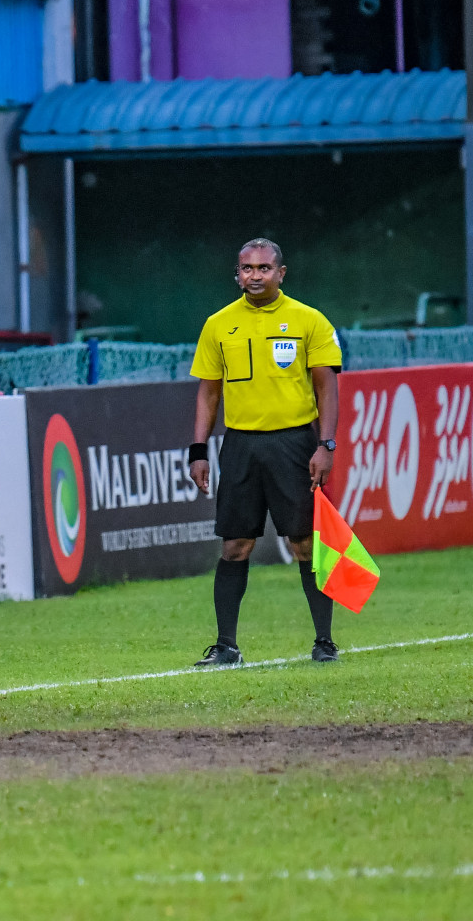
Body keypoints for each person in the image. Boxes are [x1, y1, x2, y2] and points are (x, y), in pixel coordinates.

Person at [186, 238, 341, 667]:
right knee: (235, 545)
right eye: (246, 268)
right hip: (240, 445)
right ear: (237, 273)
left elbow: (327, 388)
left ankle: (324, 641)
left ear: (281, 273)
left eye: (263, 268)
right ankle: (226, 647)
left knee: (304, 542)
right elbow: (208, 392)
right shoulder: (218, 324)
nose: (254, 276)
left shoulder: (308, 320)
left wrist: (325, 444)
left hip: (294, 444)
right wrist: (199, 450)